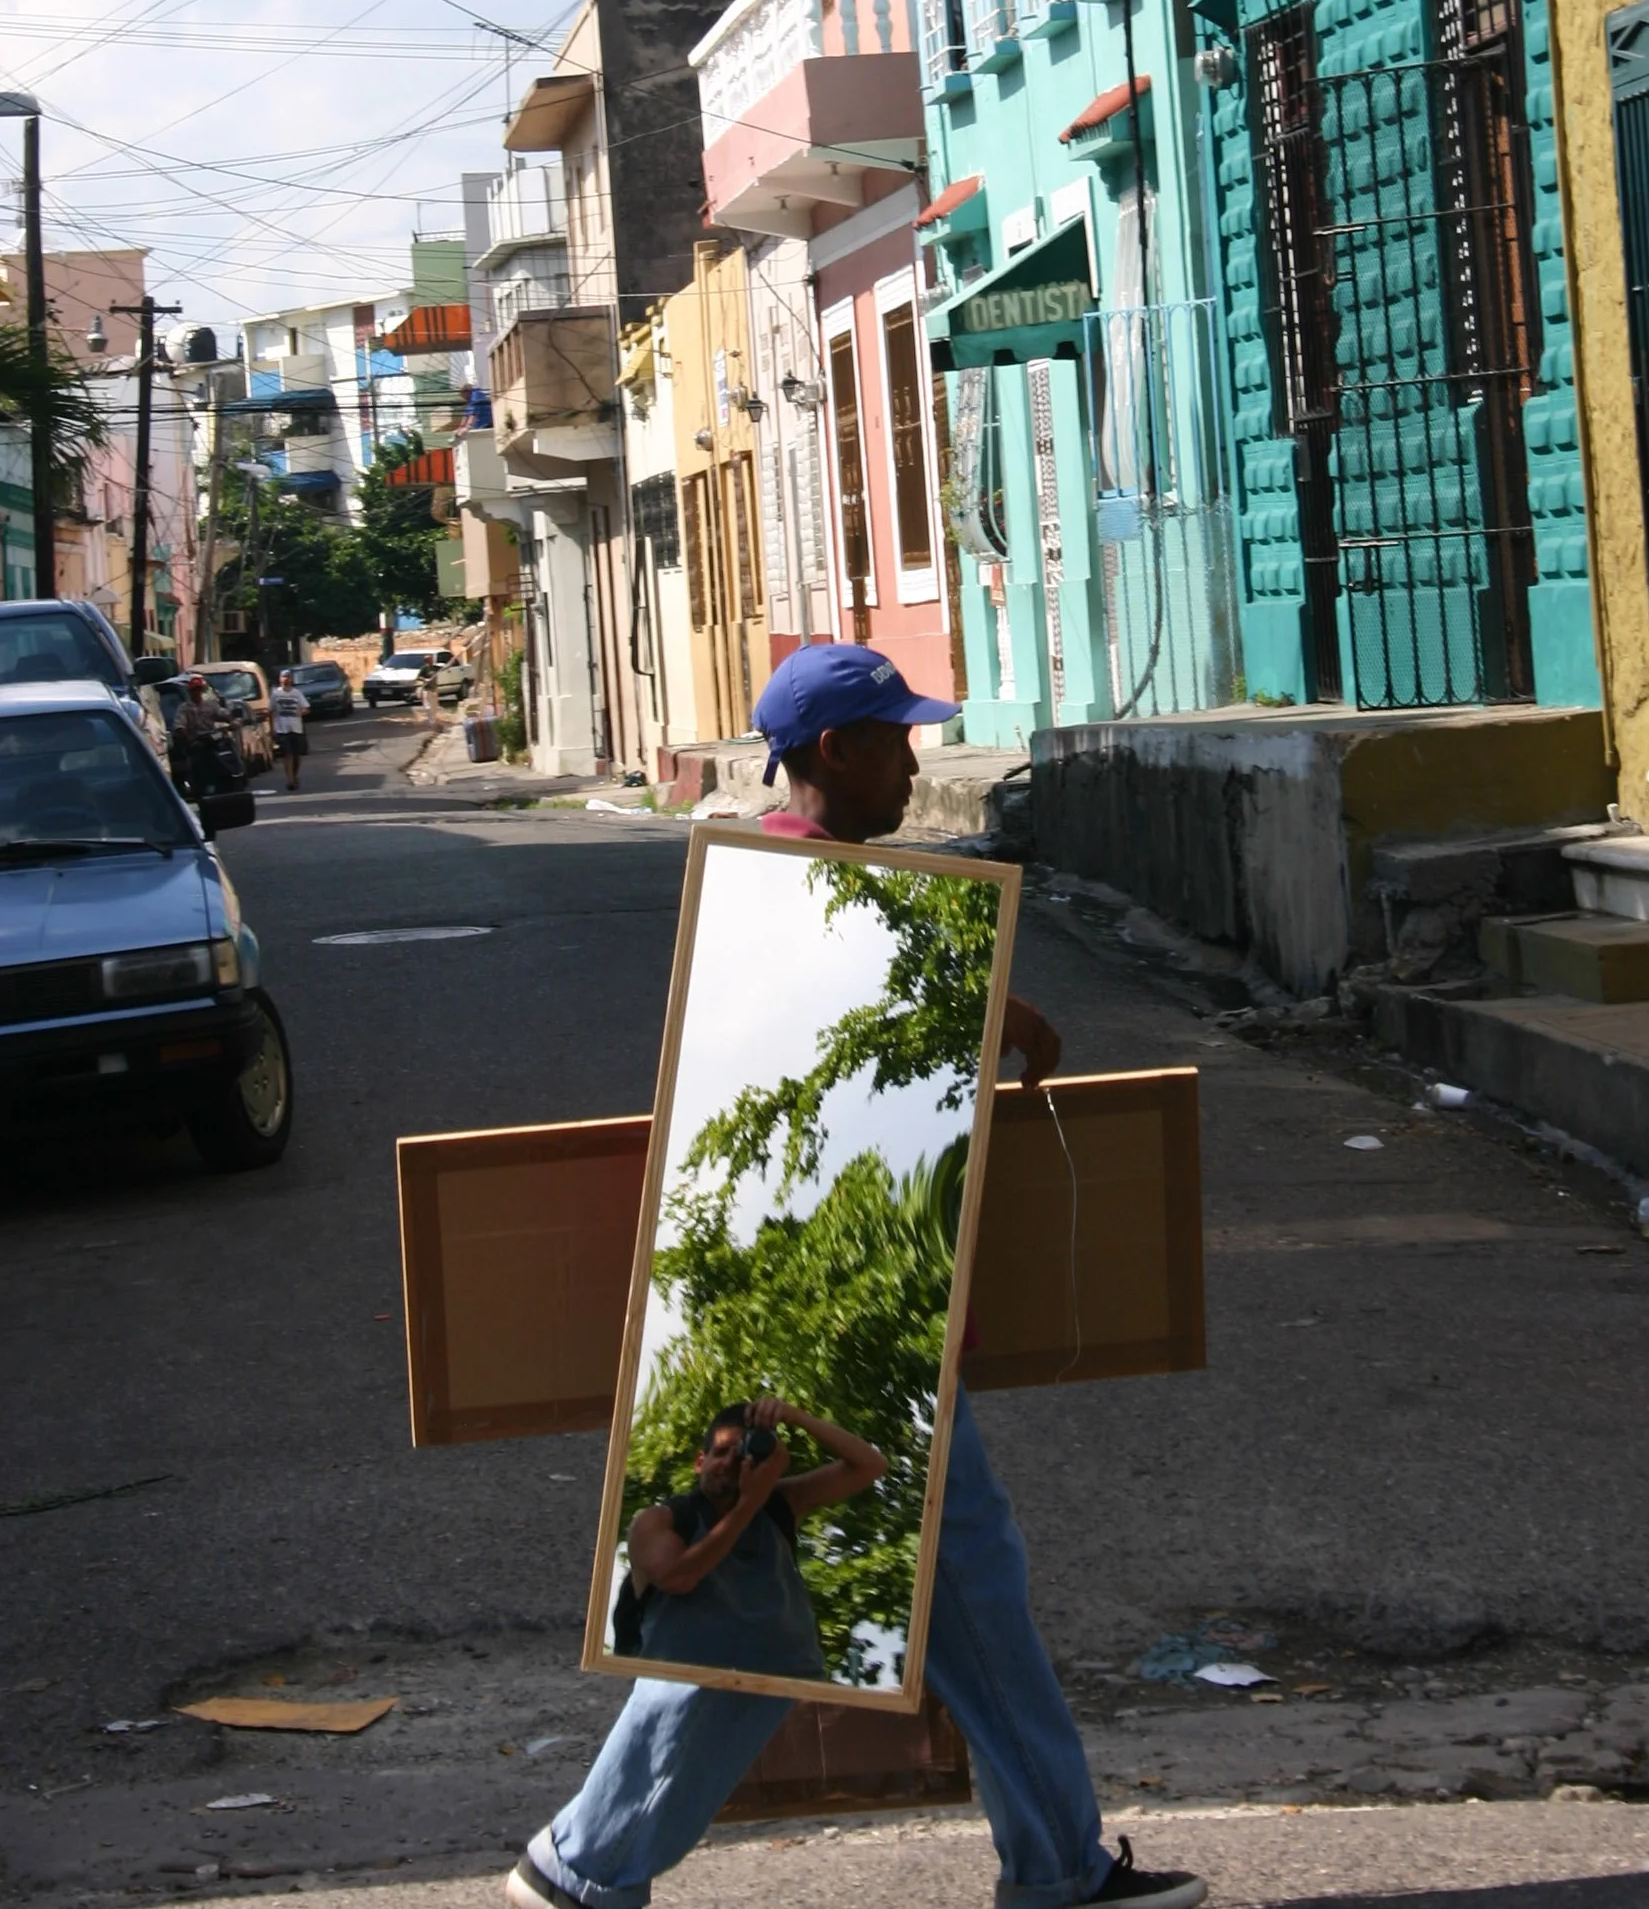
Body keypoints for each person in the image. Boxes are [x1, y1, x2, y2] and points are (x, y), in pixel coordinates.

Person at [509, 646, 1204, 1909]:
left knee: (919, 1595)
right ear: (837, 751)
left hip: (863, 1313)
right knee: (784, 1624)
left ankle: (1051, 1865)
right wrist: (988, 1006)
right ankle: (585, 1862)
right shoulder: (794, 889)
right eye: (897, 738)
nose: (916, 758)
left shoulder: (831, 887)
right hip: (835, 1325)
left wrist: (980, 1004)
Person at [610, 1395, 882, 1677]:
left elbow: (870, 1466)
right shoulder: (659, 1519)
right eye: (721, 1452)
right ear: (700, 1462)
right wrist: (750, 1502)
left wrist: (796, 1417)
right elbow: (678, 1577)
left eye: (741, 1455)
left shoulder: (779, 1507)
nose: (729, 1462)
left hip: (787, 1691)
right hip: (688, 1698)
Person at [271, 670, 306, 791]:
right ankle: (290, 780)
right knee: (287, 755)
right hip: (282, 729)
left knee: (296, 756)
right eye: (283, 677)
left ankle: (294, 776)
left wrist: (301, 712)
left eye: (288, 677)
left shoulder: (297, 693)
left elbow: (306, 708)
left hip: (296, 728)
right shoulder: (275, 694)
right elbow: (271, 711)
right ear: (280, 679)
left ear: (291, 679)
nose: (286, 679)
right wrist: (272, 729)